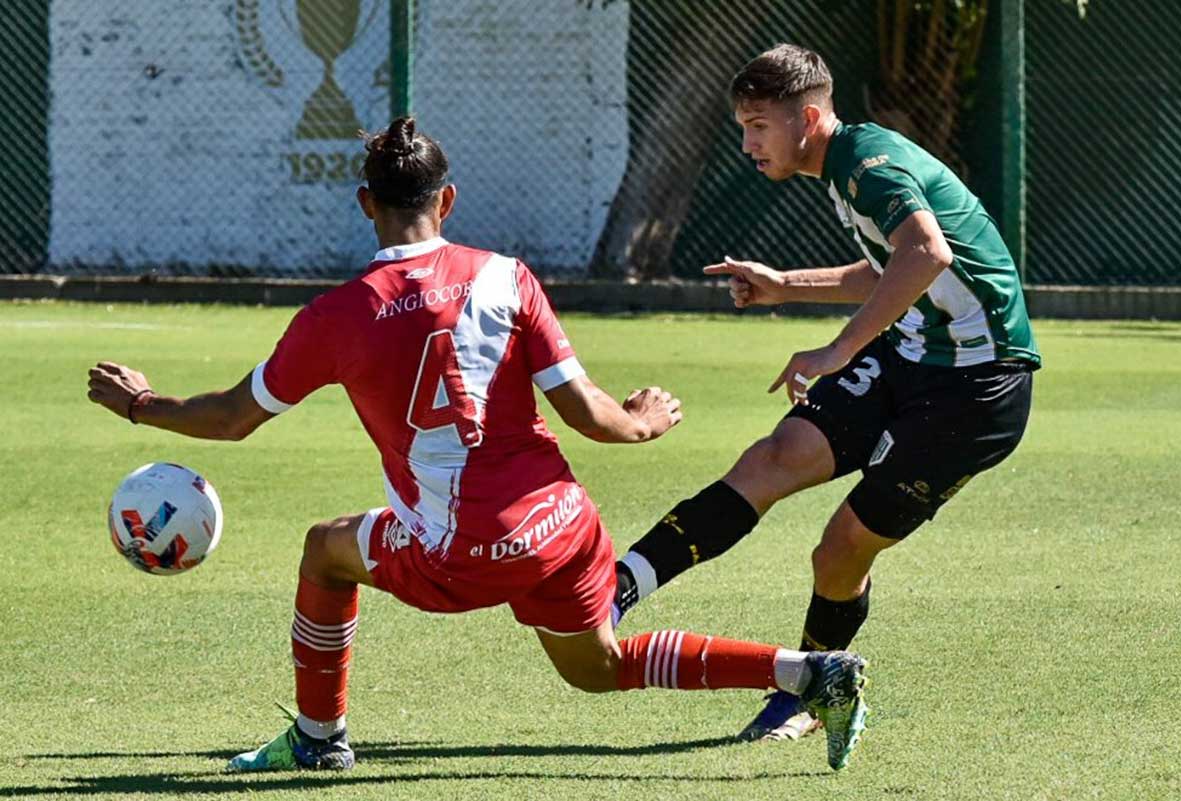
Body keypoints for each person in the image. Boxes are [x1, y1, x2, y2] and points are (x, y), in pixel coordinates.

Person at [86, 116, 868, 773]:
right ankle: (812, 669)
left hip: (462, 547)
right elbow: (595, 417)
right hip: (563, 523)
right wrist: (650, 419)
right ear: (448, 199)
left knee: (325, 548)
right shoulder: (507, 277)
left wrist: (140, 404)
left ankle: (320, 740)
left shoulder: (336, 316)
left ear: (366, 204)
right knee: (597, 667)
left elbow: (230, 417)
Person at [610, 44, 1040, 742]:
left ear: (808, 118)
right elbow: (891, 269)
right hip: (915, 354)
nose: (747, 142)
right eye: (743, 126)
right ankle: (618, 586)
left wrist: (840, 347)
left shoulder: (869, 163)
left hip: (979, 389)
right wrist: (785, 283)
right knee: (772, 457)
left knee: (838, 550)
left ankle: (817, 693)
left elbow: (928, 253)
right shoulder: (845, 165)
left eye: (758, 125)